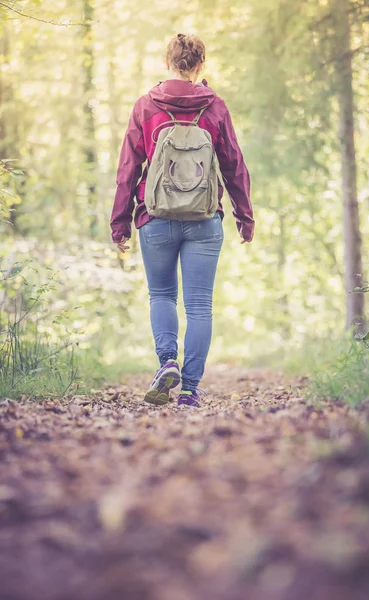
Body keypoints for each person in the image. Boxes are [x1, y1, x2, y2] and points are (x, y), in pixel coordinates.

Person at [110, 33, 254, 407]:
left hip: (154, 215)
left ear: (167, 63)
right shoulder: (215, 106)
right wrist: (244, 216)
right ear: (201, 65)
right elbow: (234, 165)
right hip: (205, 219)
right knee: (200, 305)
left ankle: (167, 363)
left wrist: (120, 222)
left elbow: (128, 167)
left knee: (161, 295)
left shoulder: (146, 105)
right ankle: (189, 389)